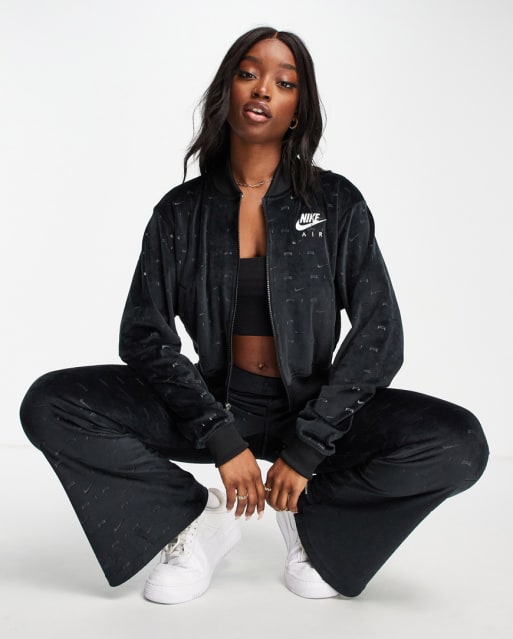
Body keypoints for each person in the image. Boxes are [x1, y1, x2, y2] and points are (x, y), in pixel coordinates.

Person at [19, 27, 488, 604]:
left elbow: (379, 335)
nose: (263, 88)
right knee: (51, 403)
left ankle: (316, 524)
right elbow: (144, 336)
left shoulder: (335, 203)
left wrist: (311, 446)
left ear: (298, 110)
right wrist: (217, 434)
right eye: (248, 74)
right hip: (214, 405)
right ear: (228, 91)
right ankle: (194, 521)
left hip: (313, 410)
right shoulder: (179, 213)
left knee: (460, 443)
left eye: (284, 82)